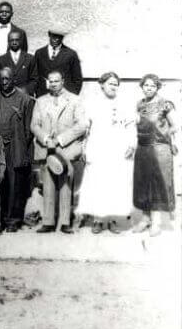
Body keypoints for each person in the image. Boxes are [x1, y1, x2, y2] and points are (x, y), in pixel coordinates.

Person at [30, 71, 89, 233]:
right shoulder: (41, 101)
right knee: (47, 184)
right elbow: (34, 125)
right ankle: (48, 221)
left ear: (63, 81)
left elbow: (82, 125)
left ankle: (65, 222)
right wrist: (46, 139)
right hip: (47, 148)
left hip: (66, 149)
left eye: (57, 81)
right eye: (50, 81)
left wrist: (60, 139)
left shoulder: (75, 100)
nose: (53, 84)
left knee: (65, 186)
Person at [78, 72, 136, 234]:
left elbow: (131, 126)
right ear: (102, 84)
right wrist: (84, 147)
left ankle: (112, 219)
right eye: (110, 83)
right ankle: (97, 220)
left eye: (116, 84)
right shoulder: (93, 103)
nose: (113, 86)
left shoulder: (124, 103)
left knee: (115, 183)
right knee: (97, 182)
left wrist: (131, 144)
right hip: (98, 148)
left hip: (118, 149)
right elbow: (86, 128)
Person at [0, 67, 35, 232]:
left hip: (15, 148)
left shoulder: (25, 100)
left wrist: (23, 151)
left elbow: (29, 131)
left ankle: (13, 220)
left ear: (13, 79)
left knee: (15, 185)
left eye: (7, 79)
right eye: (1, 79)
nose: (4, 82)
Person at [132, 73, 178, 236]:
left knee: (158, 184)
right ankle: (145, 219)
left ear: (157, 87)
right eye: (146, 85)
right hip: (143, 149)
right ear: (142, 87)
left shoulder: (165, 104)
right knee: (143, 183)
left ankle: (156, 223)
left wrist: (163, 136)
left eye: (152, 85)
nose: (149, 88)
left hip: (159, 149)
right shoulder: (139, 104)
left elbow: (175, 125)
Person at [31, 27, 83, 97]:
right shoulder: (39, 53)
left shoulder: (71, 54)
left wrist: (72, 96)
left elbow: (77, 79)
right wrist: (37, 91)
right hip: (43, 95)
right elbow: (35, 75)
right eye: (54, 36)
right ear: (49, 35)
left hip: (64, 96)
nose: (57, 39)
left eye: (60, 37)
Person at [0, 30, 36, 96]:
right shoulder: (0, 60)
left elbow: (35, 79)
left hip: (25, 97)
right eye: (11, 40)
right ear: (8, 42)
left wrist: (26, 89)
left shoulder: (30, 58)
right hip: (6, 97)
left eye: (17, 40)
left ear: (21, 41)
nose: (14, 42)